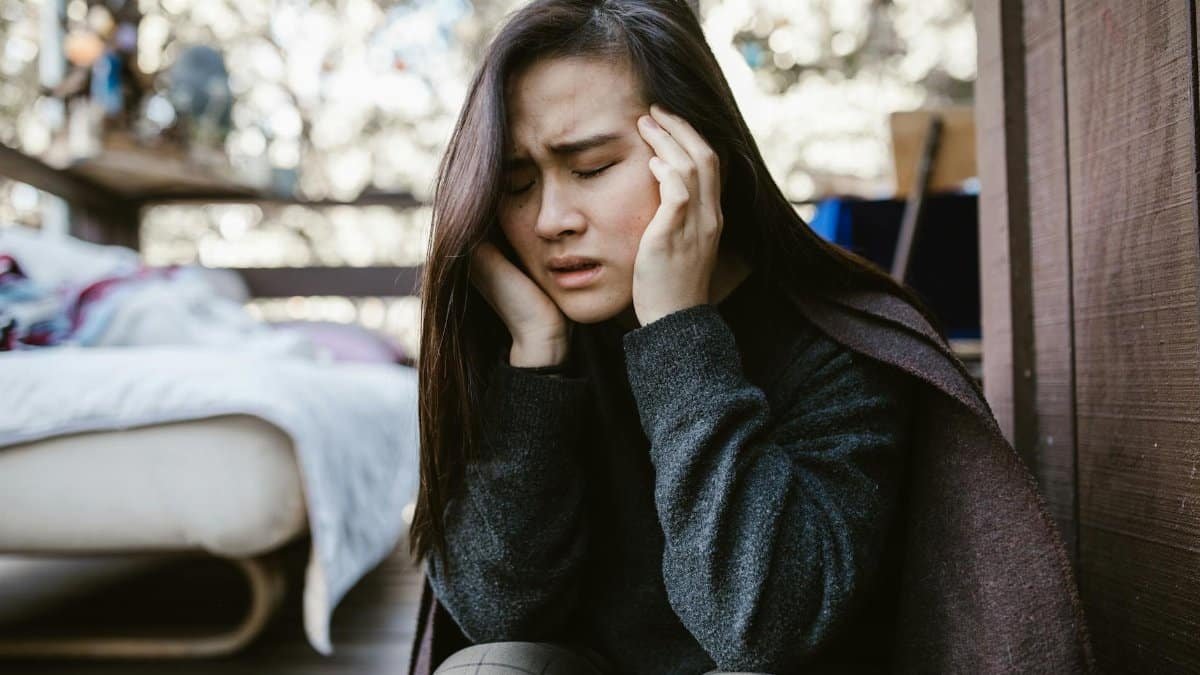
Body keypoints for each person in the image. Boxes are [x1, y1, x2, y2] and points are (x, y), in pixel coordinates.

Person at [408, 1, 1093, 674]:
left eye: (590, 168)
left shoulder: (837, 347)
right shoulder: (527, 335)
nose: (551, 217)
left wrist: (679, 336)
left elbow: (761, 629)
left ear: (700, 160)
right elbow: (493, 613)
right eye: (518, 183)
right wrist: (534, 362)